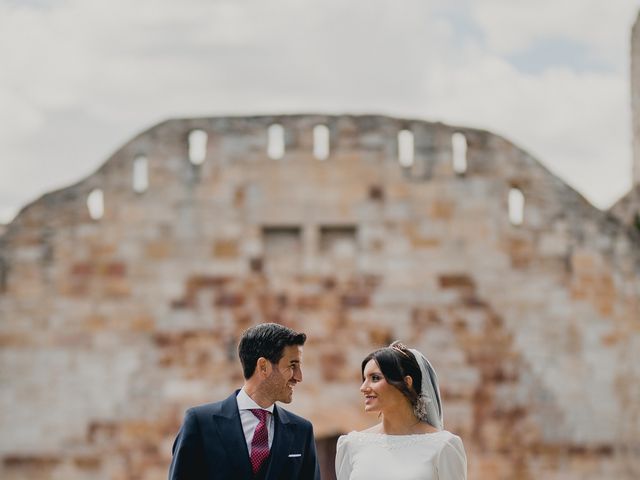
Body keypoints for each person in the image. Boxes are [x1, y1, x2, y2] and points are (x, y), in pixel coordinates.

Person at [169, 323, 321, 480]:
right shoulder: (200, 423)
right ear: (263, 366)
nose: (299, 377)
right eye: (292, 365)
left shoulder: (302, 431)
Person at [335, 341, 467, 480]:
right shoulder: (351, 444)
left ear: (407, 382)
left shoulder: (444, 446)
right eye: (364, 379)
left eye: (375, 378)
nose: (363, 387)